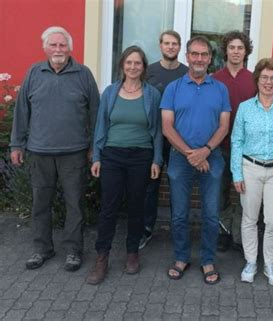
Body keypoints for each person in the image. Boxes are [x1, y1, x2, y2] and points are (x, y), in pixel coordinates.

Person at [10, 26, 100, 272]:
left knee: (75, 204)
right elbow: (21, 112)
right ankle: (42, 249)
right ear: (45, 48)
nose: (58, 49)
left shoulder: (83, 74)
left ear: (70, 48)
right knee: (40, 204)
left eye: (63, 45)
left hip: (74, 153)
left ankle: (73, 251)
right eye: (54, 45)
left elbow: (95, 114)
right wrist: (16, 144)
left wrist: (95, 147)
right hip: (39, 152)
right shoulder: (34, 73)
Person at [86, 46, 163, 285]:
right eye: (129, 63)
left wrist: (156, 159)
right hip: (112, 155)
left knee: (136, 206)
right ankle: (102, 256)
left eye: (137, 63)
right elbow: (101, 126)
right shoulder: (110, 92)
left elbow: (158, 132)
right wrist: (97, 156)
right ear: (122, 65)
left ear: (143, 67)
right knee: (109, 207)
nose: (132, 67)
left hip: (141, 156)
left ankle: (132, 252)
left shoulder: (152, 95)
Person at [161, 36, 231, 285]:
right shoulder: (174, 88)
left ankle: (207, 260)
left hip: (212, 158)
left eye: (204, 54)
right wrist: (193, 154)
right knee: (179, 214)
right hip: (181, 159)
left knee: (211, 214)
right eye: (194, 54)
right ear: (187, 56)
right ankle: (181, 257)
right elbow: (167, 128)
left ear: (210, 59)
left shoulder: (220, 89)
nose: (199, 59)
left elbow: (224, 126)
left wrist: (206, 150)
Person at [231, 58, 273, 286]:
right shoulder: (245, 108)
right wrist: (236, 174)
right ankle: (250, 261)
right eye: (264, 77)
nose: (268, 82)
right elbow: (237, 141)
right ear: (257, 80)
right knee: (249, 217)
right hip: (250, 168)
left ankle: (269, 263)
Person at [139, 30, 188, 250]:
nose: (170, 47)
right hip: (152, 139)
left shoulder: (187, 74)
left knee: (178, 185)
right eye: (167, 43)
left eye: (174, 44)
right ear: (160, 45)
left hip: (179, 140)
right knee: (150, 186)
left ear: (179, 47)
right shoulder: (148, 72)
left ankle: (179, 231)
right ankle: (146, 229)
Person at [212, 30, 257, 252]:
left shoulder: (254, 79)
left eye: (240, 48)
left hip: (247, 149)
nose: (236, 52)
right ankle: (223, 232)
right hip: (220, 147)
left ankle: (240, 234)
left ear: (246, 51)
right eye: (232, 47)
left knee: (244, 193)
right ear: (226, 51)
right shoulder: (215, 79)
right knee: (220, 193)